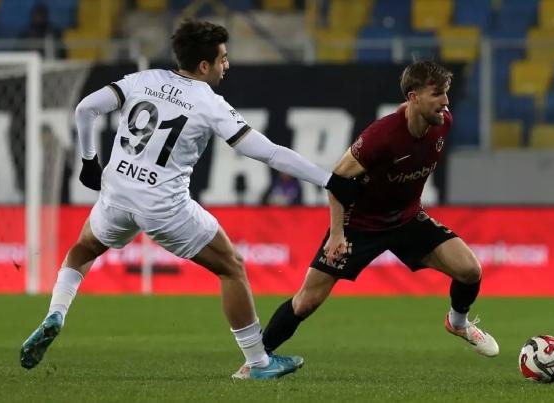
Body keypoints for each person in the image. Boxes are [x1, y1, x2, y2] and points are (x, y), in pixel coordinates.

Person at [19, 19, 355, 380]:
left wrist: (89, 161)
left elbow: (85, 108)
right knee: (231, 267)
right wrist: (328, 179)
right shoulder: (208, 103)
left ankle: (56, 313)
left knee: (83, 250)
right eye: (223, 59)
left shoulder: (143, 79)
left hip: (116, 193)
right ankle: (258, 363)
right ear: (204, 65)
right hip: (163, 206)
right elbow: (269, 153)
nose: (227, 65)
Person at [243, 60, 499, 373]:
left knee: (470, 270)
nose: (445, 101)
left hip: (407, 219)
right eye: (437, 94)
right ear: (413, 97)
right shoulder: (382, 136)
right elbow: (337, 179)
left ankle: (457, 323)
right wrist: (337, 233)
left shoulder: (442, 122)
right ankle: (258, 361)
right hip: (359, 225)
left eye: (446, 93)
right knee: (307, 301)